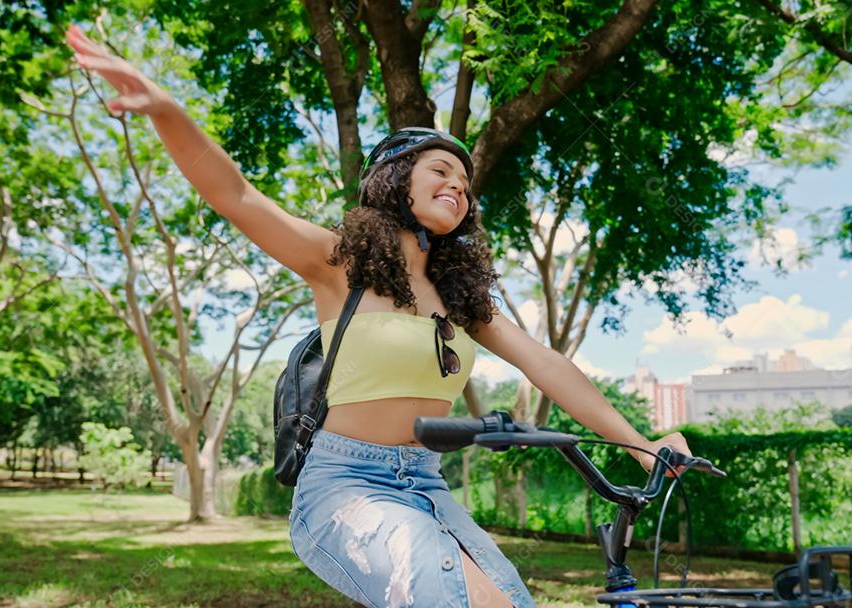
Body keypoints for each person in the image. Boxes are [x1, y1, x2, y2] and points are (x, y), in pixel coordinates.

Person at [66, 23, 693, 608]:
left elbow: (548, 366)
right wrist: (168, 111)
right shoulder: (338, 265)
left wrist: (643, 446)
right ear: (396, 182)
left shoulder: (462, 301)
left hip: (428, 486)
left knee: (511, 601)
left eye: (466, 185)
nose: (459, 187)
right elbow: (235, 195)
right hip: (345, 488)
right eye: (441, 171)